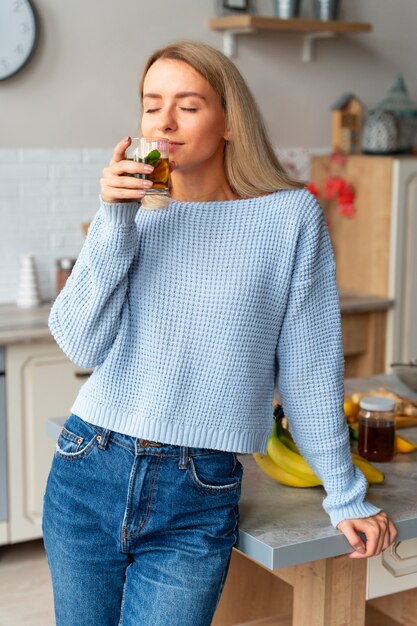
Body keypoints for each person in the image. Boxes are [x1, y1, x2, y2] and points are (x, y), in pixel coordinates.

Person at [42, 40, 397, 626]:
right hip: (88, 466)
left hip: (197, 491)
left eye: (188, 104)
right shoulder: (131, 216)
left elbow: (309, 373)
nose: (164, 119)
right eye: (152, 104)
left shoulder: (288, 217)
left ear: (230, 121)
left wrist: (345, 494)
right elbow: (80, 344)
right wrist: (114, 220)